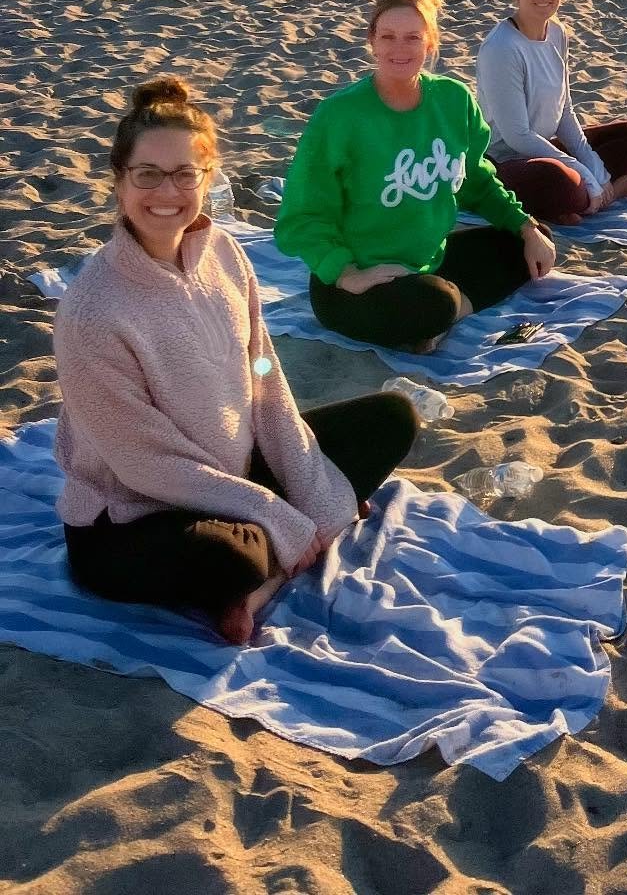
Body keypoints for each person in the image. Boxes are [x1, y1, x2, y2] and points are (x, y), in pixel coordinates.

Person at [55, 76, 418, 646]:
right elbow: (147, 466)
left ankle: (264, 570)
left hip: (234, 472)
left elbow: (266, 382)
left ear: (207, 177)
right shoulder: (92, 311)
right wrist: (281, 513)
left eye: (184, 174)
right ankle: (255, 575)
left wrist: (310, 488)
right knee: (228, 557)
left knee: (393, 418)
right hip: (135, 515)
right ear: (119, 182)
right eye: (146, 174)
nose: (165, 192)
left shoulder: (225, 253)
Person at [275, 0, 555, 351]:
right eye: (388, 36)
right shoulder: (340, 116)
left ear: (430, 41)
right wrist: (345, 273)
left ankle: (447, 314)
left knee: (531, 244)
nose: (399, 49)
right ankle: (441, 314)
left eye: (412, 37)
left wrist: (525, 227)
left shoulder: (453, 100)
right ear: (372, 39)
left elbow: (475, 179)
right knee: (433, 303)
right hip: (357, 283)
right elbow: (300, 217)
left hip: (430, 261)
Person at [477, 0, 627, 226]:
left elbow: (564, 112)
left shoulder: (557, 32)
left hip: (546, 146)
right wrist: (582, 171)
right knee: (558, 180)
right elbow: (517, 137)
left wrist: (594, 166)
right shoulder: (501, 48)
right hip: (504, 161)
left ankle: (587, 199)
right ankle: (598, 195)